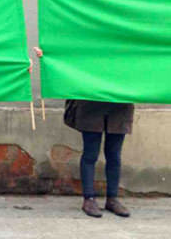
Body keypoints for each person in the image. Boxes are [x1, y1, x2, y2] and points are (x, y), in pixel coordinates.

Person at [34, 47, 132, 218]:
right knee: (90, 153)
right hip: (91, 99)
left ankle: (112, 199)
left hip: (119, 100)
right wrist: (48, 54)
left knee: (114, 154)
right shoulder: (87, 33)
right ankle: (89, 198)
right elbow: (71, 49)